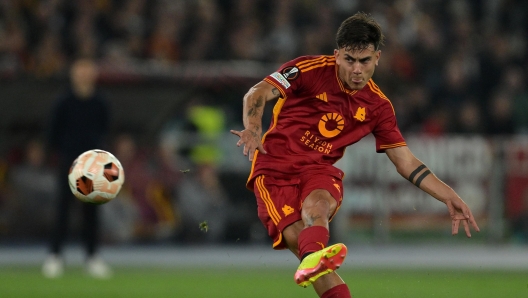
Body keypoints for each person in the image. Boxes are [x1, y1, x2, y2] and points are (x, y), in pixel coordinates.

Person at [230, 12, 480, 298]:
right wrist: (252, 128)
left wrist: (448, 195)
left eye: (365, 61)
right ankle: (312, 258)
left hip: (318, 170)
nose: (357, 70)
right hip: (274, 171)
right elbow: (257, 92)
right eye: (349, 60)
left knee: (318, 207)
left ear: (377, 59)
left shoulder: (378, 106)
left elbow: (405, 161)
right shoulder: (308, 69)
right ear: (337, 55)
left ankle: (312, 258)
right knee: (307, 251)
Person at [42, 58, 112, 279]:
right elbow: (52, 134)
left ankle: (92, 257)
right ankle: (55, 256)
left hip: (94, 166)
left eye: (87, 70)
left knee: (91, 212)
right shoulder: (63, 102)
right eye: (79, 70)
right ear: (72, 73)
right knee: (62, 211)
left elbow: (105, 133)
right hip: (69, 165)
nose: (83, 75)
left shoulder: (100, 103)